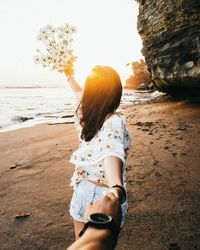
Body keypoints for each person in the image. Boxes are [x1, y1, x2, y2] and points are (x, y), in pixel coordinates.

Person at [64, 65, 131, 239]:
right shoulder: (114, 120)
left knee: (82, 243)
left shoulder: (84, 116)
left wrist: (69, 76)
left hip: (83, 188)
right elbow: (111, 151)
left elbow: (79, 93)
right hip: (106, 195)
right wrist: (116, 187)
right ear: (115, 94)